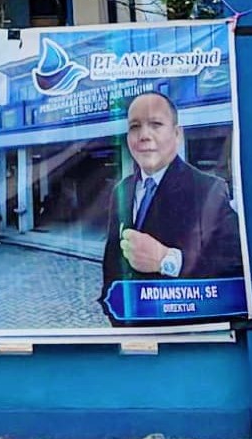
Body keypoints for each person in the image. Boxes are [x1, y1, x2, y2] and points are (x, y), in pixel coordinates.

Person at [102, 89, 244, 297]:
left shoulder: (208, 189)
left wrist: (166, 260)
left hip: (180, 325)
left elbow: (233, 263)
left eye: (156, 124)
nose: (144, 136)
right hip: (130, 322)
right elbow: (112, 260)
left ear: (177, 134)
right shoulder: (121, 190)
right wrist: (110, 304)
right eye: (135, 127)